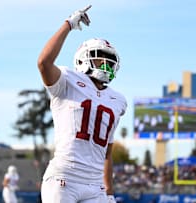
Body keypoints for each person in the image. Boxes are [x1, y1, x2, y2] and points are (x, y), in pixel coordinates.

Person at [37, 4, 127, 203]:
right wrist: (68, 24)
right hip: (64, 177)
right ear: (82, 59)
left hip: (95, 184)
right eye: (99, 59)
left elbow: (107, 153)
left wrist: (109, 191)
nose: (105, 64)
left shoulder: (118, 100)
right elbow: (44, 63)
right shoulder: (67, 80)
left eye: (109, 60)